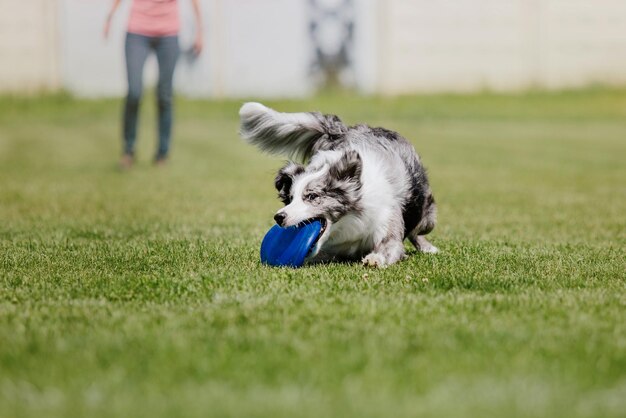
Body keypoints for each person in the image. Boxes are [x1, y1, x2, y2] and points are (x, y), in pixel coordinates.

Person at [104, 0, 203, 169]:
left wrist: (200, 32)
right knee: (134, 92)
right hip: (137, 31)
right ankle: (128, 151)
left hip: (169, 34)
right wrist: (109, 18)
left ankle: (162, 154)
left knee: (165, 95)